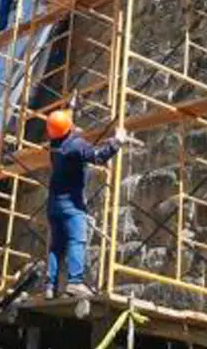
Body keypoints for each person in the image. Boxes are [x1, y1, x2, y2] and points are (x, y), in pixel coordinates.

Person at [43, 109, 129, 300]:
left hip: (53, 205)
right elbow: (98, 157)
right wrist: (117, 142)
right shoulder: (75, 145)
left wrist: (71, 108)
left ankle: (50, 286)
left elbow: (62, 126)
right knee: (77, 240)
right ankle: (75, 282)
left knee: (57, 246)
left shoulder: (55, 146)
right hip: (71, 206)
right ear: (69, 127)